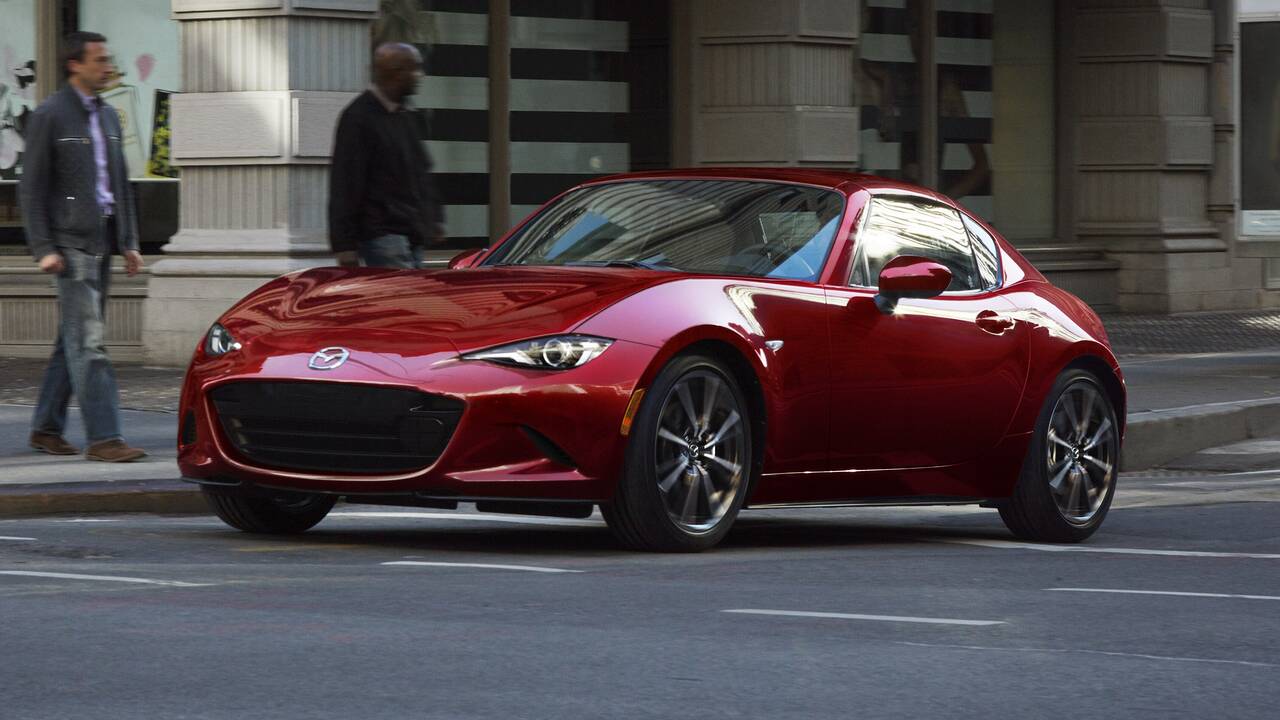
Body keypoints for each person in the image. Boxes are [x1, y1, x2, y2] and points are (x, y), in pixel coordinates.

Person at [19, 31, 146, 462]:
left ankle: (45, 428)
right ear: (75, 64)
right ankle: (105, 438)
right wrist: (43, 248)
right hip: (69, 246)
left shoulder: (109, 116)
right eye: (99, 60)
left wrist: (129, 241)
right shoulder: (50, 115)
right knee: (89, 342)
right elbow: (31, 189)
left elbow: (120, 185)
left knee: (71, 340)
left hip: (104, 241)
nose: (107, 66)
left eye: (107, 59)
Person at [328, 42, 445, 268]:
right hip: (382, 234)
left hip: (410, 232)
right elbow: (346, 182)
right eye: (414, 69)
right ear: (396, 73)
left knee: (409, 299)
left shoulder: (405, 114)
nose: (420, 76)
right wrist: (344, 246)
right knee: (403, 298)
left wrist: (433, 217)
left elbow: (421, 171)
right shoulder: (359, 117)